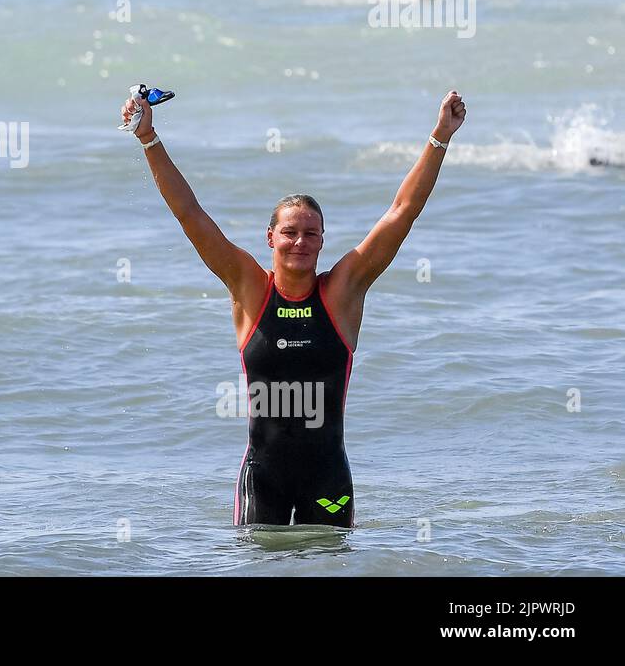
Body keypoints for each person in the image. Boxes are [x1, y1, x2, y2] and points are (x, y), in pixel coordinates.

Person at [120, 90, 467, 527]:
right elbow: (190, 214)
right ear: (270, 238)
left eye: (310, 233)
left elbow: (402, 212)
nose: (300, 241)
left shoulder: (342, 291)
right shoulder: (248, 287)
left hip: (327, 480)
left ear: (323, 240)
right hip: (263, 480)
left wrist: (440, 137)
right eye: (289, 232)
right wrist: (148, 137)